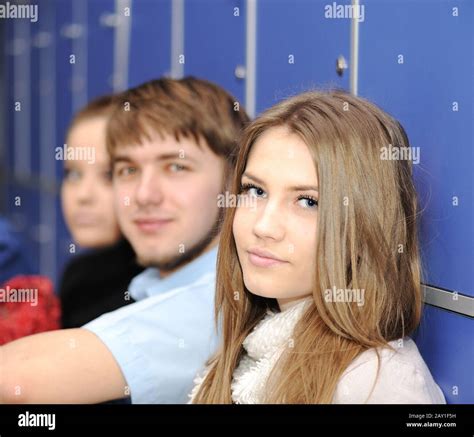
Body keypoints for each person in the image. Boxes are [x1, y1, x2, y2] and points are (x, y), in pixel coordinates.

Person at [0, 77, 249, 404]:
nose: (144, 195)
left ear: (234, 180)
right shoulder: (149, 283)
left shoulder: (220, 303)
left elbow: (20, 383)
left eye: (176, 166)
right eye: (127, 170)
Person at [190, 90, 446, 404]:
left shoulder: (377, 381)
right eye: (255, 190)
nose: (263, 227)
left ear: (365, 225)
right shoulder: (248, 351)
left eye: (308, 201)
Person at [59, 94, 143, 328]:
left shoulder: (149, 297)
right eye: (73, 174)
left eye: (108, 175)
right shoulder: (79, 274)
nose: (83, 195)